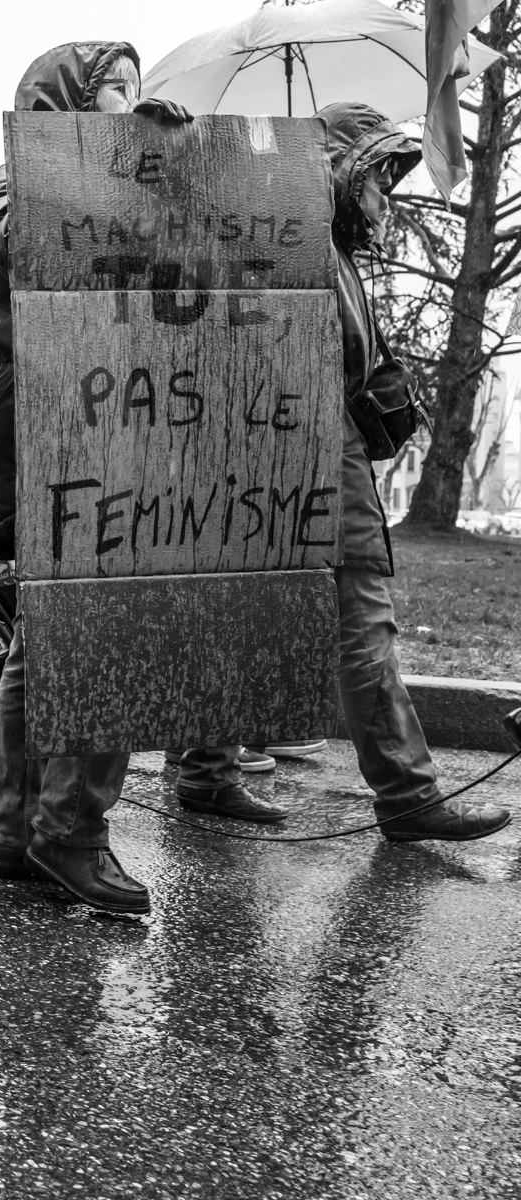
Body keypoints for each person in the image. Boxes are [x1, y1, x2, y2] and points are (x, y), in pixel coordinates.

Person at [0, 42, 218, 918]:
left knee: (43, 635)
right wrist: (126, 162)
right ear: (65, 104)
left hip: (98, 414)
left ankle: (18, 831)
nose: (132, 101)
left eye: (135, 88)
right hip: (61, 419)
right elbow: (38, 238)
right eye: (114, 89)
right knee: (102, 621)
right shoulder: (13, 185)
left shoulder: (113, 188)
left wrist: (171, 169)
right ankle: (68, 830)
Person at [315, 101, 509, 842]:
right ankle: (407, 793)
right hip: (317, 464)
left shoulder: (334, 254)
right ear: (347, 171)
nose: (387, 197)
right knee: (361, 621)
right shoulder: (308, 249)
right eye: (381, 177)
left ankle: (208, 769)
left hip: (327, 456)